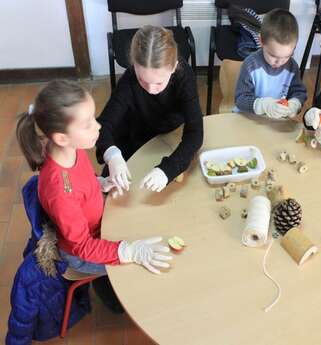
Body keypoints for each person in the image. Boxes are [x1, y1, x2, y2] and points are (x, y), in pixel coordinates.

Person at [16, 80, 173, 311]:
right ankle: (112, 290)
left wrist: (100, 184)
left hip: (98, 226)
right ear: (61, 137)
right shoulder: (60, 190)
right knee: (148, 261)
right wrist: (129, 252)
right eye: (88, 124)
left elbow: (82, 180)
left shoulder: (70, 150)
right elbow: (83, 247)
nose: (98, 127)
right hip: (82, 254)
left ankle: (108, 286)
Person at [96, 25, 203, 196]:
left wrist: (167, 171)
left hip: (170, 137)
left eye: (159, 82)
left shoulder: (184, 76)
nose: (151, 89)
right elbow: (103, 126)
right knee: (113, 192)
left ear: (174, 67)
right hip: (134, 138)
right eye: (142, 80)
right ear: (134, 66)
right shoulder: (129, 79)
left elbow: (195, 133)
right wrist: (113, 155)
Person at [234, 8, 307, 120]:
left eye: (287, 56)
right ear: (261, 41)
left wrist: (295, 104)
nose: (279, 62)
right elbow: (240, 99)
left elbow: (298, 92)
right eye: (273, 55)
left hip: (274, 122)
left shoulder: (292, 67)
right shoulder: (250, 65)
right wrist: (263, 105)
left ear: (294, 47)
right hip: (248, 119)